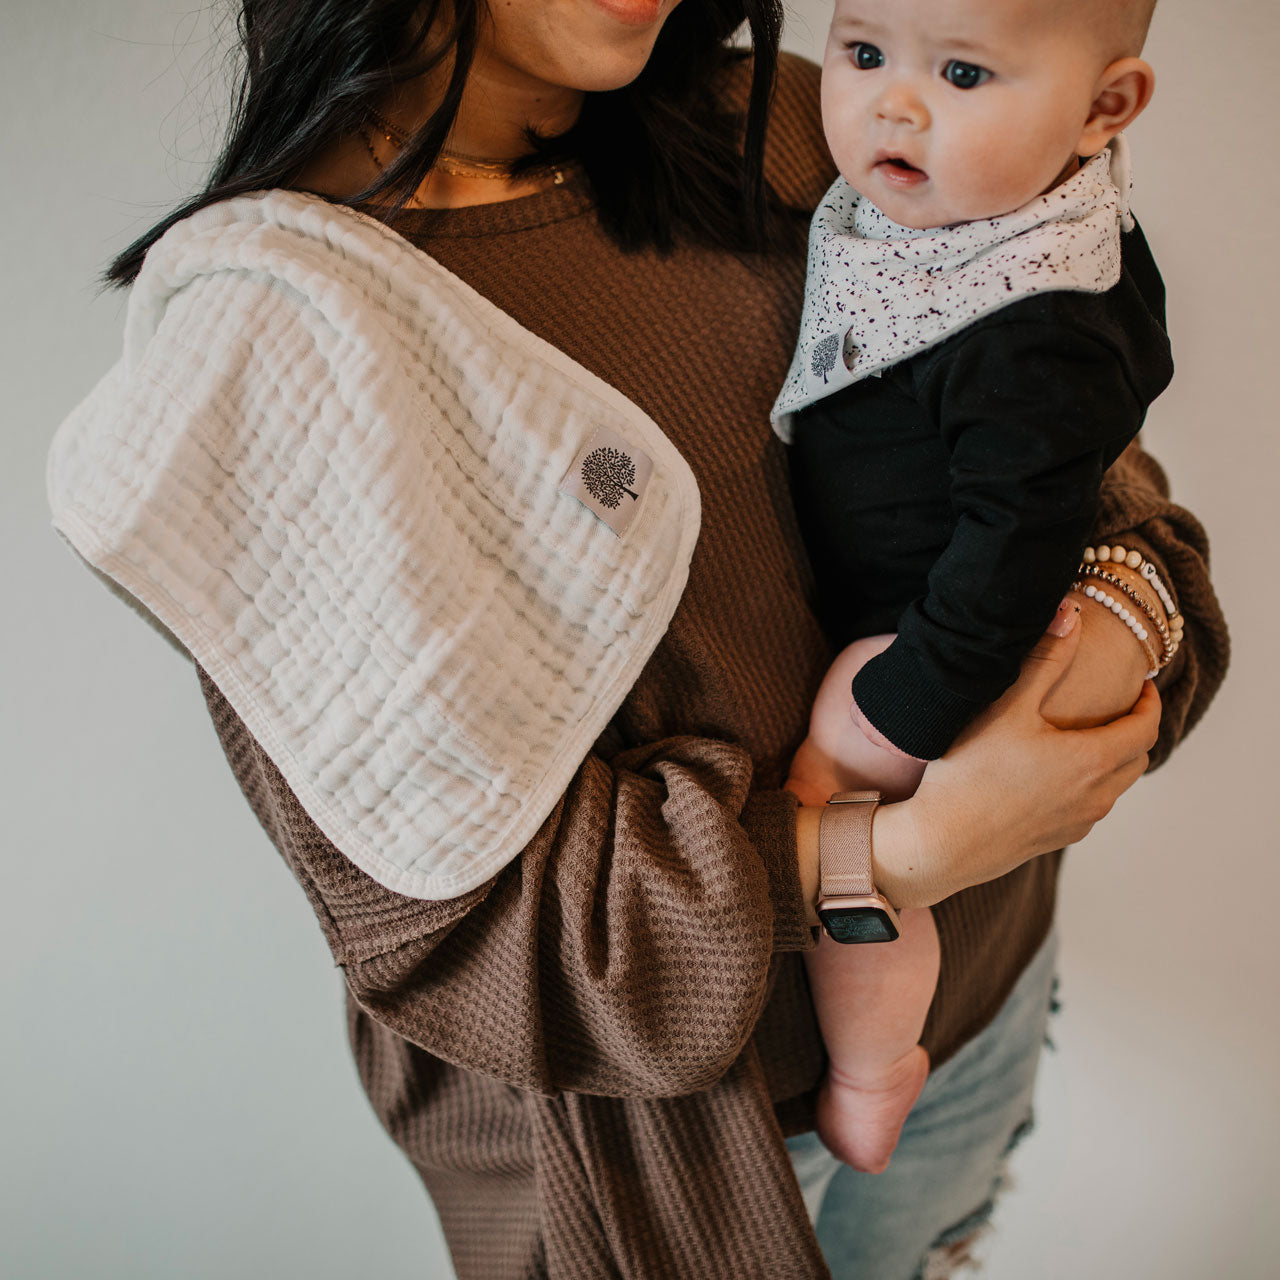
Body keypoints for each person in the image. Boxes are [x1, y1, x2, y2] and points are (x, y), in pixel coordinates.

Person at [46, 2, 1226, 1277]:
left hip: (986, 1001)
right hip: (707, 1156)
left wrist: (1117, 639)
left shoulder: (797, 128)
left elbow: (1096, 496)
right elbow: (460, 934)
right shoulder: (275, 341)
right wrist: (911, 850)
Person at [776, 0, 1176, 1178]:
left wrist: (906, 702)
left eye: (960, 74)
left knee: (835, 806)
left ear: (1103, 109)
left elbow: (1017, 540)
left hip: (940, 627)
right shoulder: (986, 227)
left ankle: (871, 1058)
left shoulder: (1034, 324)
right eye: (862, 54)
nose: (892, 105)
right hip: (941, 595)